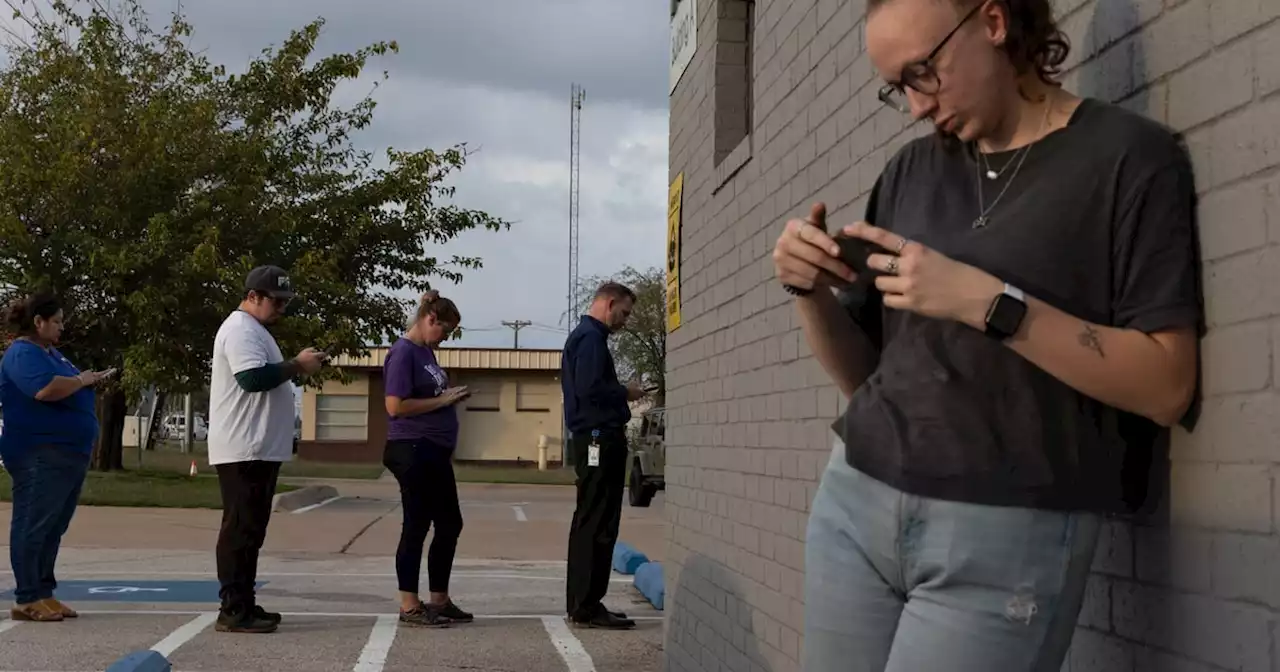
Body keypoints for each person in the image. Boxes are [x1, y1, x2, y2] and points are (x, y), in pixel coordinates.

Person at [771, 0, 1200, 670]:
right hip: (854, 502)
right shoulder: (911, 172)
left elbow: (1167, 385)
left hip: (1007, 534)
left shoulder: (1131, 159)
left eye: (923, 72)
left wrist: (991, 304)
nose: (915, 106)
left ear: (994, 23)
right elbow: (865, 378)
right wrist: (808, 291)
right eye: (897, 86)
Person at [207, 265, 326, 634]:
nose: (281, 309)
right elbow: (252, 379)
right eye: (276, 301)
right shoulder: (240, 329)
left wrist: (294, 365)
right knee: (240, 528)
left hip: (259, 447)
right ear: (253, 296)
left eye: (285, 303)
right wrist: (297, 365)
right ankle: (233, 608)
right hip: (244, 447)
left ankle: (245, 600)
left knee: (252, 531)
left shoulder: (256, 330)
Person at [0, 293, 113, 622]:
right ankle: (26, 597)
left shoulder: (52, 354)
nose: (62, 328)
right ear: (39, 322)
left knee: (53, 526)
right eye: (58, 322)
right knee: (33, 524)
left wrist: (89, 382)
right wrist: (81, 380)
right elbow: (45, 390)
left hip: (67, 453)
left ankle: (44, 592)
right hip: (38, 452)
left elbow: (69, 385)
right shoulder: (22, 353)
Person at [382, 289, 474, 628]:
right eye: (444, 331)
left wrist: (448, 398)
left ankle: (440, 599)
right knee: (417, 524)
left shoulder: (425, 352)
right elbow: (395, 406)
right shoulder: (403, 353)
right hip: (412, 448)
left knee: (450, 523)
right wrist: (442, 401)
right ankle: (409, 604)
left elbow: (420, 315)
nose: (445, 338)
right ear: (430, 320)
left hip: (433, 451)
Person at [561, 282, 647, 630]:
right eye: (624, 313)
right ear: (609, 303)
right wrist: (626, 391)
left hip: (592, 438)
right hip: (598, 439)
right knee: (598, 522)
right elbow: (590, 388)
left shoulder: (583, 338)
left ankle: (584, 602)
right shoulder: (591, 339)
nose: (624, 321)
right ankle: (586, 605)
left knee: (591, 519)